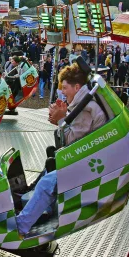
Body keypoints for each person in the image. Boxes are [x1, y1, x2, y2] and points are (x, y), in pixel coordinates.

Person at [15, 63, 108, 237]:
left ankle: (20, 227)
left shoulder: (86, 108)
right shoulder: (82, 102)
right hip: (87, 158)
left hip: (89, 165)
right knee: (52, 159)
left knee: (47, 183)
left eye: (65, 88)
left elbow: (72, 142)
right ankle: (34, 202)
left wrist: (60, 120)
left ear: (77, 87)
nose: (62, 92)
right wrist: (62, 118)